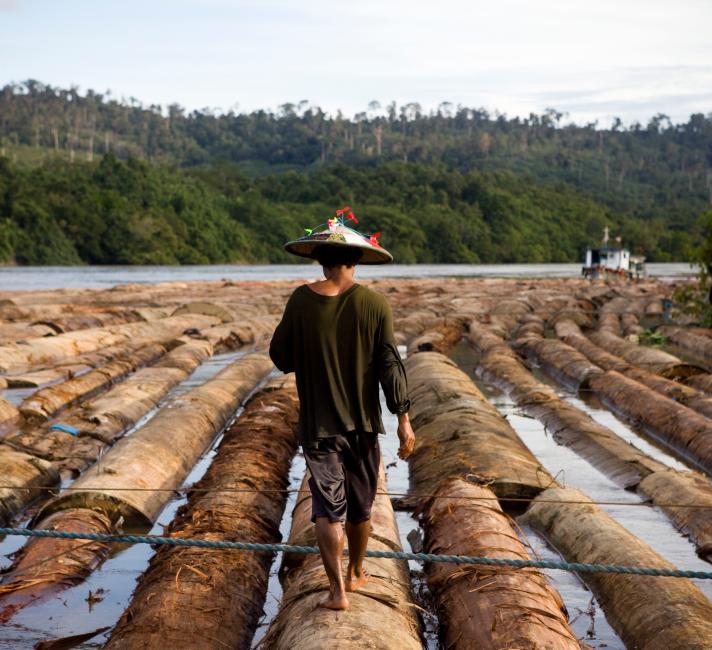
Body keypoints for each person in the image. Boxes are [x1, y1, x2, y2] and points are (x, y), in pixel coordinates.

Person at [269, 211, 415, 610]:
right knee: (361, 508)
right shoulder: (374, 303)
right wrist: (403, 418)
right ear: (356, 262)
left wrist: (314, 352)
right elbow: (389, 363)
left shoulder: (301, 299)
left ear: (321, 259)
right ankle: (357, 571)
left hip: (319, 427)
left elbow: (280, 357)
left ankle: (337, 591)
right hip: (364, 425)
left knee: (327, 509)